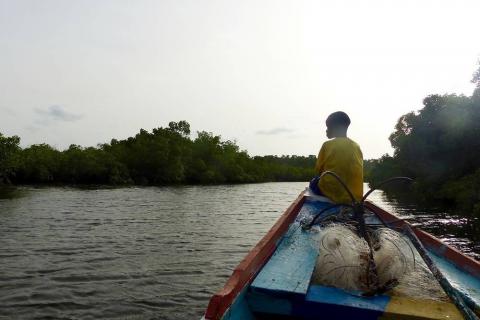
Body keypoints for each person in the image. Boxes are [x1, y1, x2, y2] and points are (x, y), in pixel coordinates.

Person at [309, 111, 363, 204]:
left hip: (331, 192)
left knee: (313, 182)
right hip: (354, 196)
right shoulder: (356, 146)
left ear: (336, 127)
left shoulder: (326, 145)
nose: (326, 130)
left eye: (328, 127)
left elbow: (318, 170)